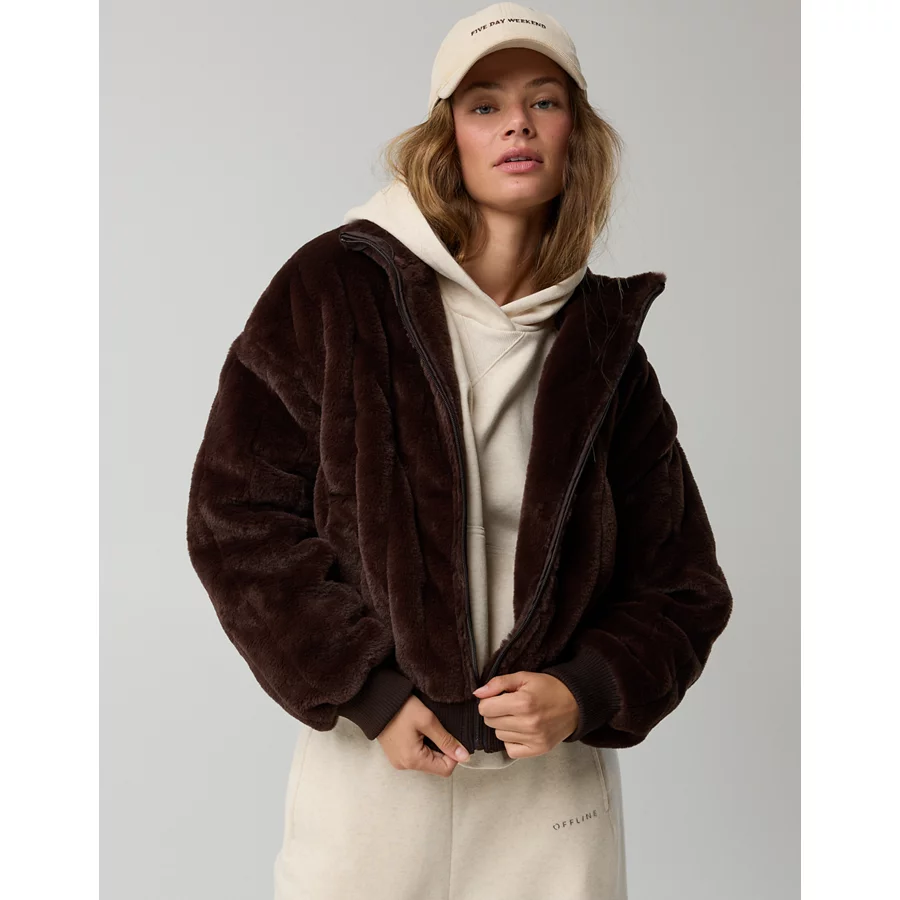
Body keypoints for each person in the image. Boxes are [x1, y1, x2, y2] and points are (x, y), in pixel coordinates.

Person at [185, 4, 734, 898]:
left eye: (544, 101)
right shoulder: (335, 289)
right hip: (373, 768)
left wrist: (585, 690)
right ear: (448, 138)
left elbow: (682, 585)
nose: (517, 123)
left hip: (548, 789)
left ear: (576, 136)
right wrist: (368, 691)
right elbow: (236, 520)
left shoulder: (604, 349)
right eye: (485, 105)